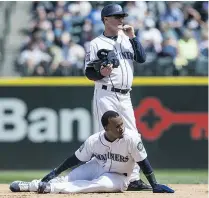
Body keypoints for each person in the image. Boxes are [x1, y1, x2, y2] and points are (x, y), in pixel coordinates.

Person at [10, 111, 174, 194]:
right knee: (71, 177)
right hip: (98, 166)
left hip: (119, 176)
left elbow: (143, 162)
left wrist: (154, 185)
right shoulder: (94, 140)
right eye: (117, 126)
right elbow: (75, 159)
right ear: (106, 128)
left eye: (122, 124)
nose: (121, 128)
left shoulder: (131, 138)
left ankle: (47, 189)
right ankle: (35, 185)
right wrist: (54, 172)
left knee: (95, 185)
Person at [84, 3, 148, 190]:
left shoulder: (126, 39)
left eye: (122, 16)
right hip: (106, 94)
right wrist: (102, 72)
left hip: (125, 96)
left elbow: (142, 58)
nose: (121, 19)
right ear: (105, 20)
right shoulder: (97, 43)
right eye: (117, 17)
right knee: (110, 136)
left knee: (133, 135)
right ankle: (106, 172)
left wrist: (133, 37)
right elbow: (89, 73)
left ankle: (134, 178)